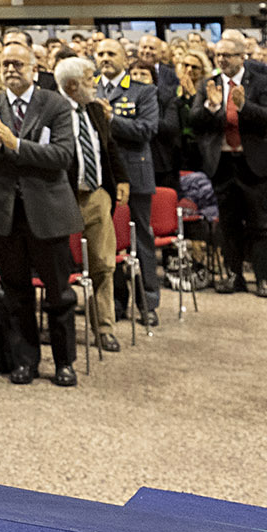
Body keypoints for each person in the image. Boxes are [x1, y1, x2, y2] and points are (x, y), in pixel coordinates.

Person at [0, 43, 80, 386]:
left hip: (47, 211)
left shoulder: (55, 104)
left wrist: (14, 144)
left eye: (18, 64)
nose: (11, 69)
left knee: (59, 293)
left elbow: (62, 156)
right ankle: (24, 361)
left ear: (35, 68)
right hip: (5, 213)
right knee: (15, 293)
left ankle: (64, 362)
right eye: (5, 64)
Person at [198, 38, 267, 297]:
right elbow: (194, 120)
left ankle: (262, 279)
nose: (222, 60)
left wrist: (244, 106)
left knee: (258, 222)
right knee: (228, 223)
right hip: (223, 163)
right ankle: (234, 276)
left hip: (253, 163)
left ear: (242, 57)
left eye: (228, 55)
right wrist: (212, 106)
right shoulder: (209, 84)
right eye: (218, 55)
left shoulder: (262, 82)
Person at [56, 57, 126, 354]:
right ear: (72, 85)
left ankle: (104, 328)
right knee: (57, 265)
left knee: (103, 262)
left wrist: (121, 179)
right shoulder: (52, 110)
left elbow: (109, 147)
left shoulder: (96, 110)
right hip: (62, 196)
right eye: (89, 79)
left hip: (96, 194)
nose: (95, 84)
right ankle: (60, 328)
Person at [93, 38, 163, 323]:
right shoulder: (90, 89)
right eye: (100, 53)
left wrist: (111, 119)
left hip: (134, 173)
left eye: (111, 53)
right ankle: (116, 302)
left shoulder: (142, 91)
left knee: (140, 239)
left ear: (125, 58)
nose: (105, 58)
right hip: (100, 177)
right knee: (105, 241)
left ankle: (148, 303)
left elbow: (147, 129)